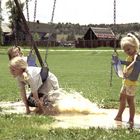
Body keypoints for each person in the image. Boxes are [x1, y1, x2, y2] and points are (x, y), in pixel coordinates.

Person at [114, 33, 140, 125]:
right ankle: (119, 115)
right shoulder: (129, 56)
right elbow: (127, 62)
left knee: (130, 101)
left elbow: (135, 62)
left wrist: (128, 68)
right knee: (121, 98)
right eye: (125, 50)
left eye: (128, 49)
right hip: (126, 82)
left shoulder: (136, 55)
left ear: (134, 46)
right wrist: (118, 62)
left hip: (131, 83)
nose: (127, 51)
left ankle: (131, 119)